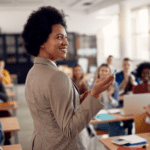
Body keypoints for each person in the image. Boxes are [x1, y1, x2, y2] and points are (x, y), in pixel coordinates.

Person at [21, 6, 114, 150]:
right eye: (59, 37)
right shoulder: (57, 76)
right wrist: (95, 94)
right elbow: (70, 129)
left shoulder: (32, 73)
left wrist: (79, 99)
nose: (66, 42)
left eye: (65, 37)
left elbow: (49, 111)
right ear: (42, 42)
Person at [89, 64, 125, 137]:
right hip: (97, 117)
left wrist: (110, 97)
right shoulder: (92, 86)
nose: (104, 73)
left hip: (111, 116)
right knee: (116, 127)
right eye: (102, 70)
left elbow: (116, 104)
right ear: (98, 72)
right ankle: (115, 146)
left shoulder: (114, 85)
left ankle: (115, 145)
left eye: (106, 71)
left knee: (117, 125)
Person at [115, 58, 140, 135]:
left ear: (131, 66)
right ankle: (127, 129)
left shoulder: (135, 74)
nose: (126, 66)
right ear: (122, 65)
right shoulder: (118, 75)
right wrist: (125, 81)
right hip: (121, 101)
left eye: (128, 64)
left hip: (133, 100)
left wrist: (134, 82)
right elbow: (117, 90)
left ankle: (129, 129)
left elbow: (139, 89)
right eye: (125, 64)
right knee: (126, 111)